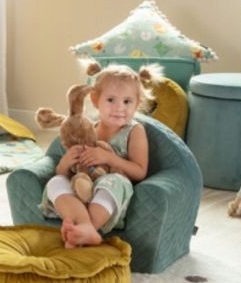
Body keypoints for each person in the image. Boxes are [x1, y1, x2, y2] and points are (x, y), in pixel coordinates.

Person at [41, 63, 160, 248]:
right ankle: (85, 229)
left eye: (127, 101)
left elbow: (140, 172)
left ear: (137, 104)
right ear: (96, 100)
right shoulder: (88, 129)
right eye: (111, 100)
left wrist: (109, 158)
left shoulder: (135, 131)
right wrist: (66, 162)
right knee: (55, 182)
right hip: (81, 190)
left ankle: (86, 229)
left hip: (108, 196)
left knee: (114, 181)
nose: (119, 108)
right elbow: (65, 173)